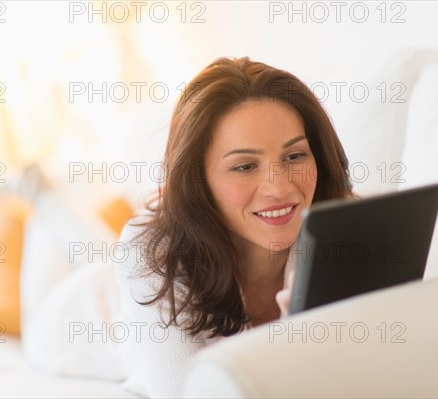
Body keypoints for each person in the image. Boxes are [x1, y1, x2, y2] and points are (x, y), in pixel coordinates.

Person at [114, 56, 354, 398]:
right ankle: (41, 196)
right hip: (92, 309)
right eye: (244, 166)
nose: (280, 188)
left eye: (295, 156)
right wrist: (293, 338)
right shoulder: (149, 253)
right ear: (198, 180)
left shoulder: (347, 229)